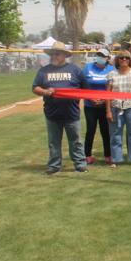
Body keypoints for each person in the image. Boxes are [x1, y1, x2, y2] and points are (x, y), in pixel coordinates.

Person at [32, 41, 88, 175]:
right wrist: (45, 92)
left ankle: (80, 164)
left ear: (64, 55)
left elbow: (84, 88)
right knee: (53, 142)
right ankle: (54, 165)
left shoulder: (75, 70)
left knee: (75, 141)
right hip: (52, 113)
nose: (54, 56)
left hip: (72, 113)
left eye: (57, 54)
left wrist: (76, 96)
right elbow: (35, 88)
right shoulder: (44, 71)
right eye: (52, 54)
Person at [106, 50, 131, 168]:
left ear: (130, 60)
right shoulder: (111, 74)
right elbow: (107, 94)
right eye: (121, 58)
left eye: (126, 58)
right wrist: (108, 111)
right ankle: (116, 159)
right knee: (115, 134)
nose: (124, 60)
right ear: (117, 60)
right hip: (115, 108)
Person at [82, 48, 114, 165]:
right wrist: (91, 98)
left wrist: (104, 101)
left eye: (103, 55)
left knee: (105, 131)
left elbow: (112, 87)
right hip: (90, 105)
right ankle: (87, 155)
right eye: (98, 55)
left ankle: (108, 155)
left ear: (107, 58)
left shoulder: (111, 69)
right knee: (90, 130)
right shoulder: (87, 68)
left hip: (105, 106)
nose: (100, 57)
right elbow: (83, 85)